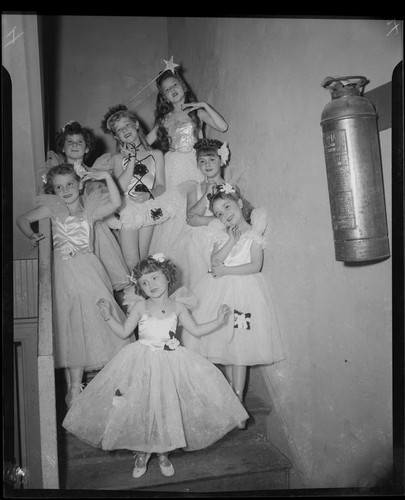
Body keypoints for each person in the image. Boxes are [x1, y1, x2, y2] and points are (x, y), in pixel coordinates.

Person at [62, 254, 249, 479]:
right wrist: (107, 316)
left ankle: (162, 451)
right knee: (142, 405)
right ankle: (141, 452)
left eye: (154, 277)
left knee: (164, 405)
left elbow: (196, 330)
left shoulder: (178, 306)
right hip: (141, 361)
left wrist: (219, 321)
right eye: (144, 282)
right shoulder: (140, 306)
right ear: (139, 287)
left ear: (167, 276)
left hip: (170, 362)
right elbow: (123, 332)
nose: (150, 285)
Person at [16, 164, 133, 408]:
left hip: (90, 270)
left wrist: (106, 177)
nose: (65, 190)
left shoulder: (89, 209)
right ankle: (74, 389)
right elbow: (22, 218)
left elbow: (115, 203)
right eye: (58, 187)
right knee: (72, 325)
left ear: (79, 184)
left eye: (69, 184)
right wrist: (30, 234)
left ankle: (111, 386)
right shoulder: (52, 208)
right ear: (53, 190)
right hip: (64, 272)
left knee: (97, 318)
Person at [181, 184, 285, 416]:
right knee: (225, 343)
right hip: (220, 296)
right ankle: (231, 399)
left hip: (246, 297)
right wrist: (229, 240)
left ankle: (237, 401)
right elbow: (215, 262)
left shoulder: (254, 235)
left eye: (227, 207)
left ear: (239, 203)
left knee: (240, 346)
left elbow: (255, 266)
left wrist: (227, 271)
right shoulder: (221, 235)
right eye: (218, 213)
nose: (225, 214)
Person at [146, 68, 228, 279]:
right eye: (166, 90)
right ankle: (167, 273)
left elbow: (223, 126)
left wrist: (204, 106)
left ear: (183, 86)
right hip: (173, 167)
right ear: (163, 96)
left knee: (194, 211)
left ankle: (196, 272)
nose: (172, 90)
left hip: (194, 165)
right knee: (173, 215)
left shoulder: (196, 112)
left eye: (175, 85)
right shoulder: (164, 118)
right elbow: (146, 142)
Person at [54, 120, 130, 301]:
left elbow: (110, 201)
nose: (74, 145)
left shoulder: (95, 173)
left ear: (87, 148)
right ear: (63, 148)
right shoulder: (55, 175)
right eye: (69, 142)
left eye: (79, 142)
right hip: (71, 232)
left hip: (97, 232)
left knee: (103, 283)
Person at [99, 105, 171, 270]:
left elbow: (161, 186)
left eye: (126, 125)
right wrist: (131, 158)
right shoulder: (117, 159)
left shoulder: (156, 154)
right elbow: (121, 187)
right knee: (131, 263)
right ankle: (136, 293)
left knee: (143, 261)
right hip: (127, 209)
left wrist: (149, 195)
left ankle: (144, 294)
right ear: (117, 137)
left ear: (136, 125)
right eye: (119, 130)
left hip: (148, 207)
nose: (124, 131)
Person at [172, 138, 229, 289]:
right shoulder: (193, 188)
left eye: (211, 159)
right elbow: (190, 219)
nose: (207, 164)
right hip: (195, 241)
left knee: (215, 281)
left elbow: (228, 218)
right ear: (197, 165)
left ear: (221, 160)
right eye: (202, 161)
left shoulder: (230, 188)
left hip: (219, 239)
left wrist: (202, 219)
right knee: (197, 281)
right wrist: (207, 194)